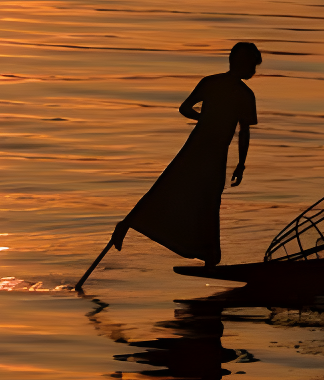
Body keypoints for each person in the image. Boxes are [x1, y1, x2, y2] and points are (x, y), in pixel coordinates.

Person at [112, 41, 261, 268]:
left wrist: (205, 120)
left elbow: (185, 109)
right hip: (208, 153)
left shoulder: (213, 83)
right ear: (241, 63)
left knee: (172, 188)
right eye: (252, 65)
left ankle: (131, 224)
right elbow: (244, 132)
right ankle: (210, 255)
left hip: (203, 150)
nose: (254, 70)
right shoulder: (243, 94)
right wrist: (240, 164)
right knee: (203, 198)